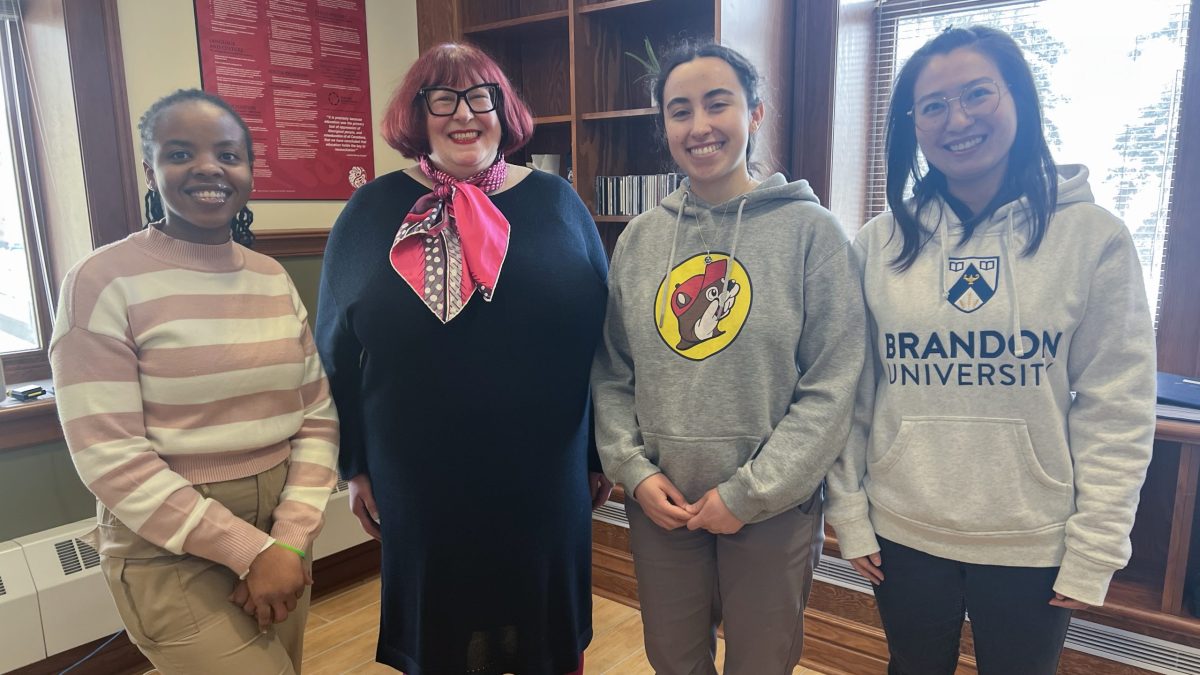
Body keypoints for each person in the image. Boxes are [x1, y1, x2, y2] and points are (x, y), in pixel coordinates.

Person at [825, 26, 1157, 674]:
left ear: (1019, 100)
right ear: (913, 124)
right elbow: (852, 393)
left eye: (978, 94)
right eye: (934, 105)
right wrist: (851, 514)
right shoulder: (877, 243)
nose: (958, 119)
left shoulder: (1093, 237)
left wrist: (1096, 544)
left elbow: (1116, 405)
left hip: (1034, 538)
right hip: (903, 530)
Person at [315, 43, 611, 675]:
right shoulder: (367, 214)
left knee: (546, 638)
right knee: (445, 638)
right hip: (421, 478)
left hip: (546, 470)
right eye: (441, 98)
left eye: (482, 97)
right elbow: (334, 353)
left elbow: (601, 341)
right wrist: (354, 467)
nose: (464, 114)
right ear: (415, 114)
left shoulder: (560, 204)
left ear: (504, 110)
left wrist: (597, 453)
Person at [591, 42, 866, 675]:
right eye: (679, 110)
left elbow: (834, 382)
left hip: (771, 506)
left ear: (756, 113)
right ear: (664, 127)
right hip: (662, 502)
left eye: (719, 104)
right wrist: (633, 469)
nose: (700, 126)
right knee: (674, 659)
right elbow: (612, 370)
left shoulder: (812, 234)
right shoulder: (640, 239)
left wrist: (751, 492)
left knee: (762, 663)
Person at [49, 88, 340, 673]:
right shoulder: (101, 281)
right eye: (181, 153)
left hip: (284, 524)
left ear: (249, 171)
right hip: (167, 545)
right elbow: (110, 456)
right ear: (151, 170)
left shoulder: (270, 277)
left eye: (229, 155)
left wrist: (286, 539)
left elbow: (316, 415)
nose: (209, 167)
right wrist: (249, 549)